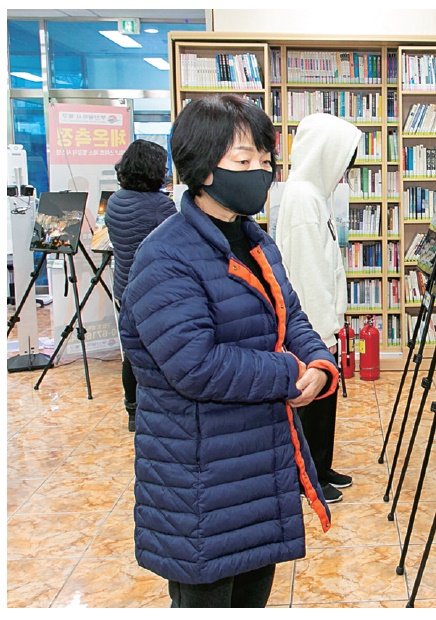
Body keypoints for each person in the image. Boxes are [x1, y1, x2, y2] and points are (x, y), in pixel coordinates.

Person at [118, 94, 337, 608]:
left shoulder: (255, 239)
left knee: (252, 596)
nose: (260, 171)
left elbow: (292, 316)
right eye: (244, 161)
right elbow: (195, 365)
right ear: (203, 167)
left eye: (265, 159)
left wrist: (320, 365)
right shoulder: (165, 256)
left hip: (256, 467)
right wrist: (288, 372)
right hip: (201, 478)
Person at [275, 113, 360, 504]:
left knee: (325, 402)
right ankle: (307, 476)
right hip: (313, 326)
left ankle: (321, 466)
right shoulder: (304, 199)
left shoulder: (313, 194)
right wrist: (321, 334)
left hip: (322, 322)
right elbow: (308, 274)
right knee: (312, 403)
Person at [106, 139, 177, 432]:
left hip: (124, 286)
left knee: (132, 353)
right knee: (163, 352)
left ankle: (132, 410)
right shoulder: (160, 205)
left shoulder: (114, 200)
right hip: (155, 290)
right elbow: (180, 240)